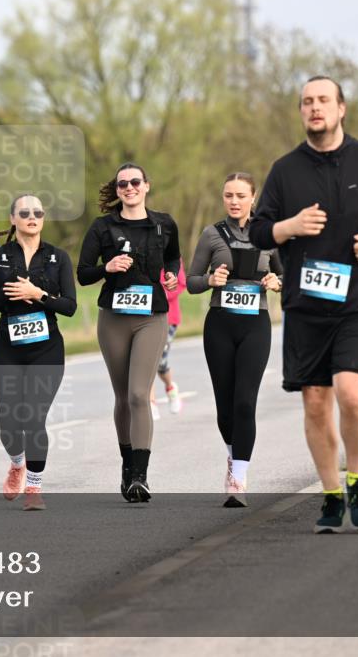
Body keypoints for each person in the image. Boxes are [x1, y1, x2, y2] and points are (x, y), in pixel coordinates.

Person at [249, 76, 358, 533]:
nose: (315, 107)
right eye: (307, 102)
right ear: (301, 112)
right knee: (316, 401)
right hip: (305, 305)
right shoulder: (285, 170)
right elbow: (260, 231)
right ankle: (329, 493)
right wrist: (292, 226)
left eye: (324, 100)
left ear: (341, 108)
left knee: (350, 391)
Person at [77, 162, 181, 503]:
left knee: (139, 394)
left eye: (135, 181)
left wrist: (169, 276)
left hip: (151, 317)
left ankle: (140, 476)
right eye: (122, 184)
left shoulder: (164, 224)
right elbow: (83, 274)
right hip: (114, 319)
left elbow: (174, 261)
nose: (129, 187)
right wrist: (106, 267)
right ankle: (127, 464)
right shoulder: (103, 227)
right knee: (122, 397)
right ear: (118, 189)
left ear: (147, 186)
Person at [188, 172, 283, 507]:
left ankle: (239, 478)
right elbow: (191, 281)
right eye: (228, 195)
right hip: (220, 325)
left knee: (245, 402)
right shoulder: (212, 234)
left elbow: (285, 276)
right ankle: (232, 454)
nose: (234, 201)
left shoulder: (269, 234)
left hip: (256, 324)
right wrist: (211, 279)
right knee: (225, 409)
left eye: (241, 195)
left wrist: (276, 282)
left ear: (252, 198)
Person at [0, 195, 77, 510]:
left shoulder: (57, 257)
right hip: (8, 345)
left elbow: (70, 306)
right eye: (25, 212)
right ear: (13, 219)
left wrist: (39, 294)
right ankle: (17, 463)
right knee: (9, 422)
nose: (32, 217)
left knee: (34, 417)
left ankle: (34, 487)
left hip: (47, 347)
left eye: (38, 212)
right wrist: (11, 294)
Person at [149, 263, 185, 420]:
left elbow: (181, 284)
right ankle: (150, 403)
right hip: (144, 317)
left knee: (160, 362)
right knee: (146, 360)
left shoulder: (171, 256)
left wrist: (155, 293)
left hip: (168, 318)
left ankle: (170, 388)